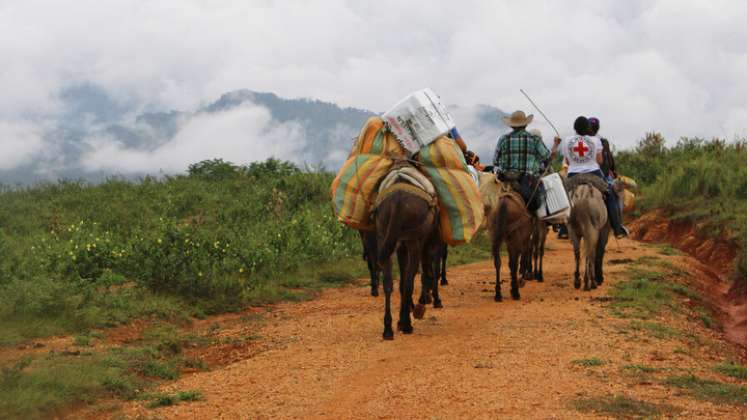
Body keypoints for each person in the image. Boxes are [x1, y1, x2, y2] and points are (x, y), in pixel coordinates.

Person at [554, 116, 628, 238]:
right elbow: (599, 161)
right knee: (611, 195)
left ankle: (563, 229)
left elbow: (567, 161)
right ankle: (617, 228)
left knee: (562, 197)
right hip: (594, 174)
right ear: (587, 128)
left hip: (573, 175)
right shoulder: (595, 140)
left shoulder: (567, 141)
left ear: (575, 129)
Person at [493, 110, 561, 211]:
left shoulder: (503, 139)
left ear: (511, 126)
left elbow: (495, 161)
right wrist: (555, 145)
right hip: (527, 181)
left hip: (505, 182)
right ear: (525, 125)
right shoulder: (534, 139)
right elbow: (547, 158)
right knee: (543, 202)